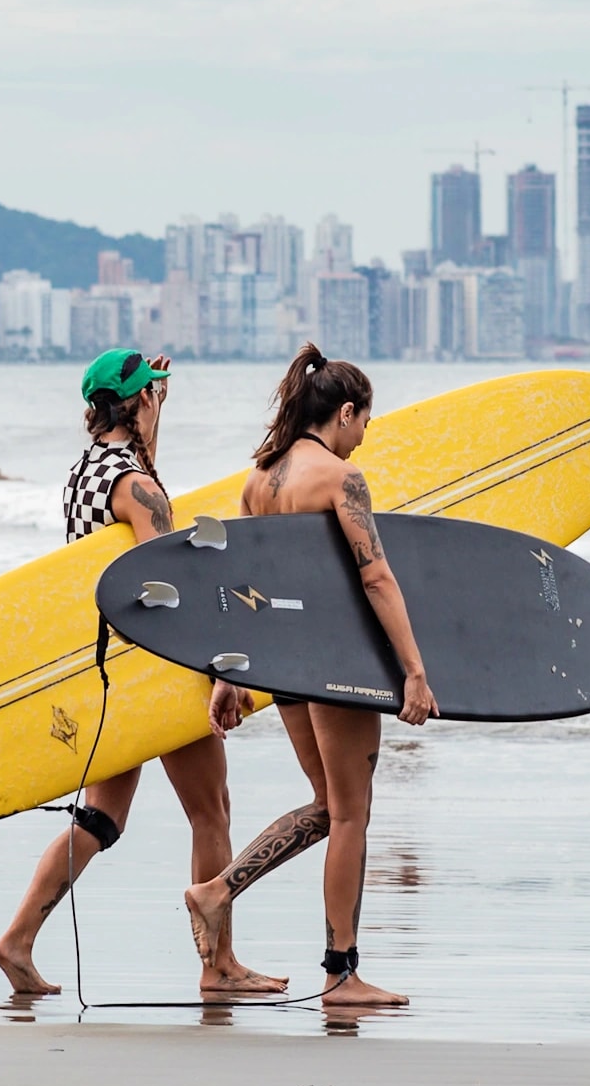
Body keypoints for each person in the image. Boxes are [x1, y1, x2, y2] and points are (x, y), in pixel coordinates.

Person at [0, 349, 285, 998]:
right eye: (154, 395)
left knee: (101, 820)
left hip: (104, 668)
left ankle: (17, 940)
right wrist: (218, 671)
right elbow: (169, 589)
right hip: (156, 671)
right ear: (140, 403)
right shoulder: (139, 486)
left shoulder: (84, 473)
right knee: (212, 812)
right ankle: (220, 965)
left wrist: (153, 397)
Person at [183, 344, 436, 1008]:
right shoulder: (339, 480)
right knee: (352, 815)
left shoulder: (259, 480)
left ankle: (216, 891)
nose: (363, 437)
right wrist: (414, 671)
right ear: (346, 412)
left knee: (327, 808)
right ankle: (341, 975)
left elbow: (240, 585)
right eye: (365, 422)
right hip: (339, 661)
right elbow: (376, 576)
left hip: (284, 666)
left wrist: (229, 674)